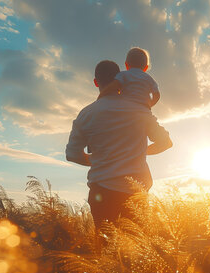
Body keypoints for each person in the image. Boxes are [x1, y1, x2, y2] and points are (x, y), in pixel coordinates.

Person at [65, 60, 172, 230]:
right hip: (136, 192)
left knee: (105, 251)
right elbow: (165, 142)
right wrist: (138, 153)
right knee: (138, 249)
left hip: (101, 192)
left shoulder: (86, 114)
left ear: (96, 82)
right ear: (119, 78)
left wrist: (100, 159)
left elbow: (72, 154)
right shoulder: (139, 110)